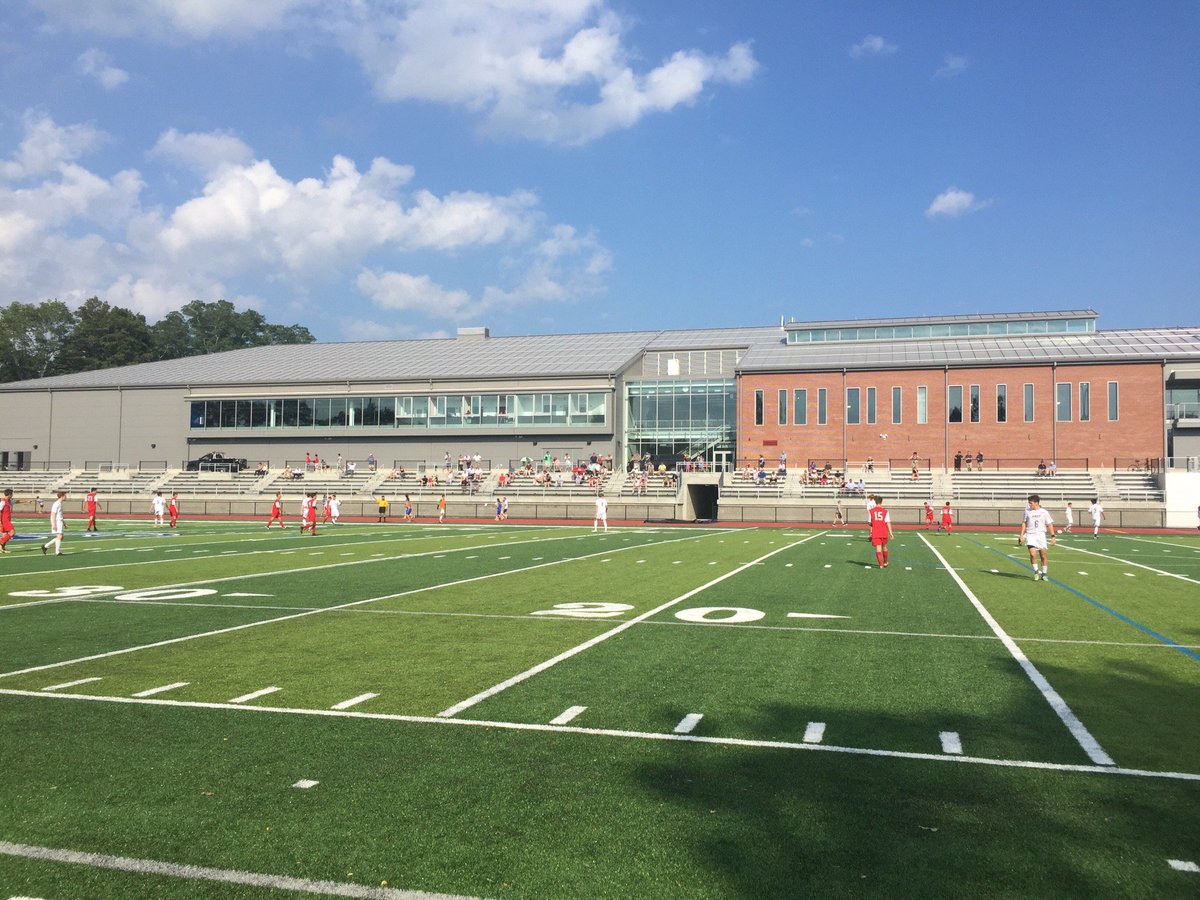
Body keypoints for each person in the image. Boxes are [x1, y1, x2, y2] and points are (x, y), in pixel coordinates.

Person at [1019, 494, 1056, 581]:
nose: (1029, 505)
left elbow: (1049, 524)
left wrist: (1053, 536)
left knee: (1043, 555)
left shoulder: (1044, 512)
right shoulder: (1027, 511)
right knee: (1032, 554)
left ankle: (1044, 574)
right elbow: (1024, 522)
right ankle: (1036, 572)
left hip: (1041, 535)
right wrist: (1021, 535)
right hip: (1030, 535)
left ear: (1036, 503)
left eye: (1031, 503)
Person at [868, 494, 894, 568]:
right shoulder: (885, 511)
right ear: (881, 502)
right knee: (884, 546)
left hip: (876, 532)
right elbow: (888, 522)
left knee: (878, 548)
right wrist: (891, 533)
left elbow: (869, 523)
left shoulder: (871, 511)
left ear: (875, 502)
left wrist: (873, 526)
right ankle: (885, 562)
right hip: (883, 532)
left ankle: (881, 564)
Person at [42, 490, 66, 556]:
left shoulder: (60, 504)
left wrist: (64, 523)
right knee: (59, 536)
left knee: (61, 537)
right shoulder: (56, 504)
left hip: (59, 521)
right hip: (57, 522)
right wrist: (54, 524)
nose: (66, 497)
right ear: (62, 496)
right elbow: (53, 514)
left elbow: (60, 515)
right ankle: (57, 552)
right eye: (65, 496)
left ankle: (45, 546)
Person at [0, 488, 15, 553]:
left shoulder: (9, 501)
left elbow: (15, 502)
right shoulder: (3, 502)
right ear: (9, 494)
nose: (12, 495)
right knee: (12, 532)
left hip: (7, 520)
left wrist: (25, 502)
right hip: (4, 521)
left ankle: (2, 548)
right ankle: (1, 542)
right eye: (12, 494)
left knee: (5, 535)